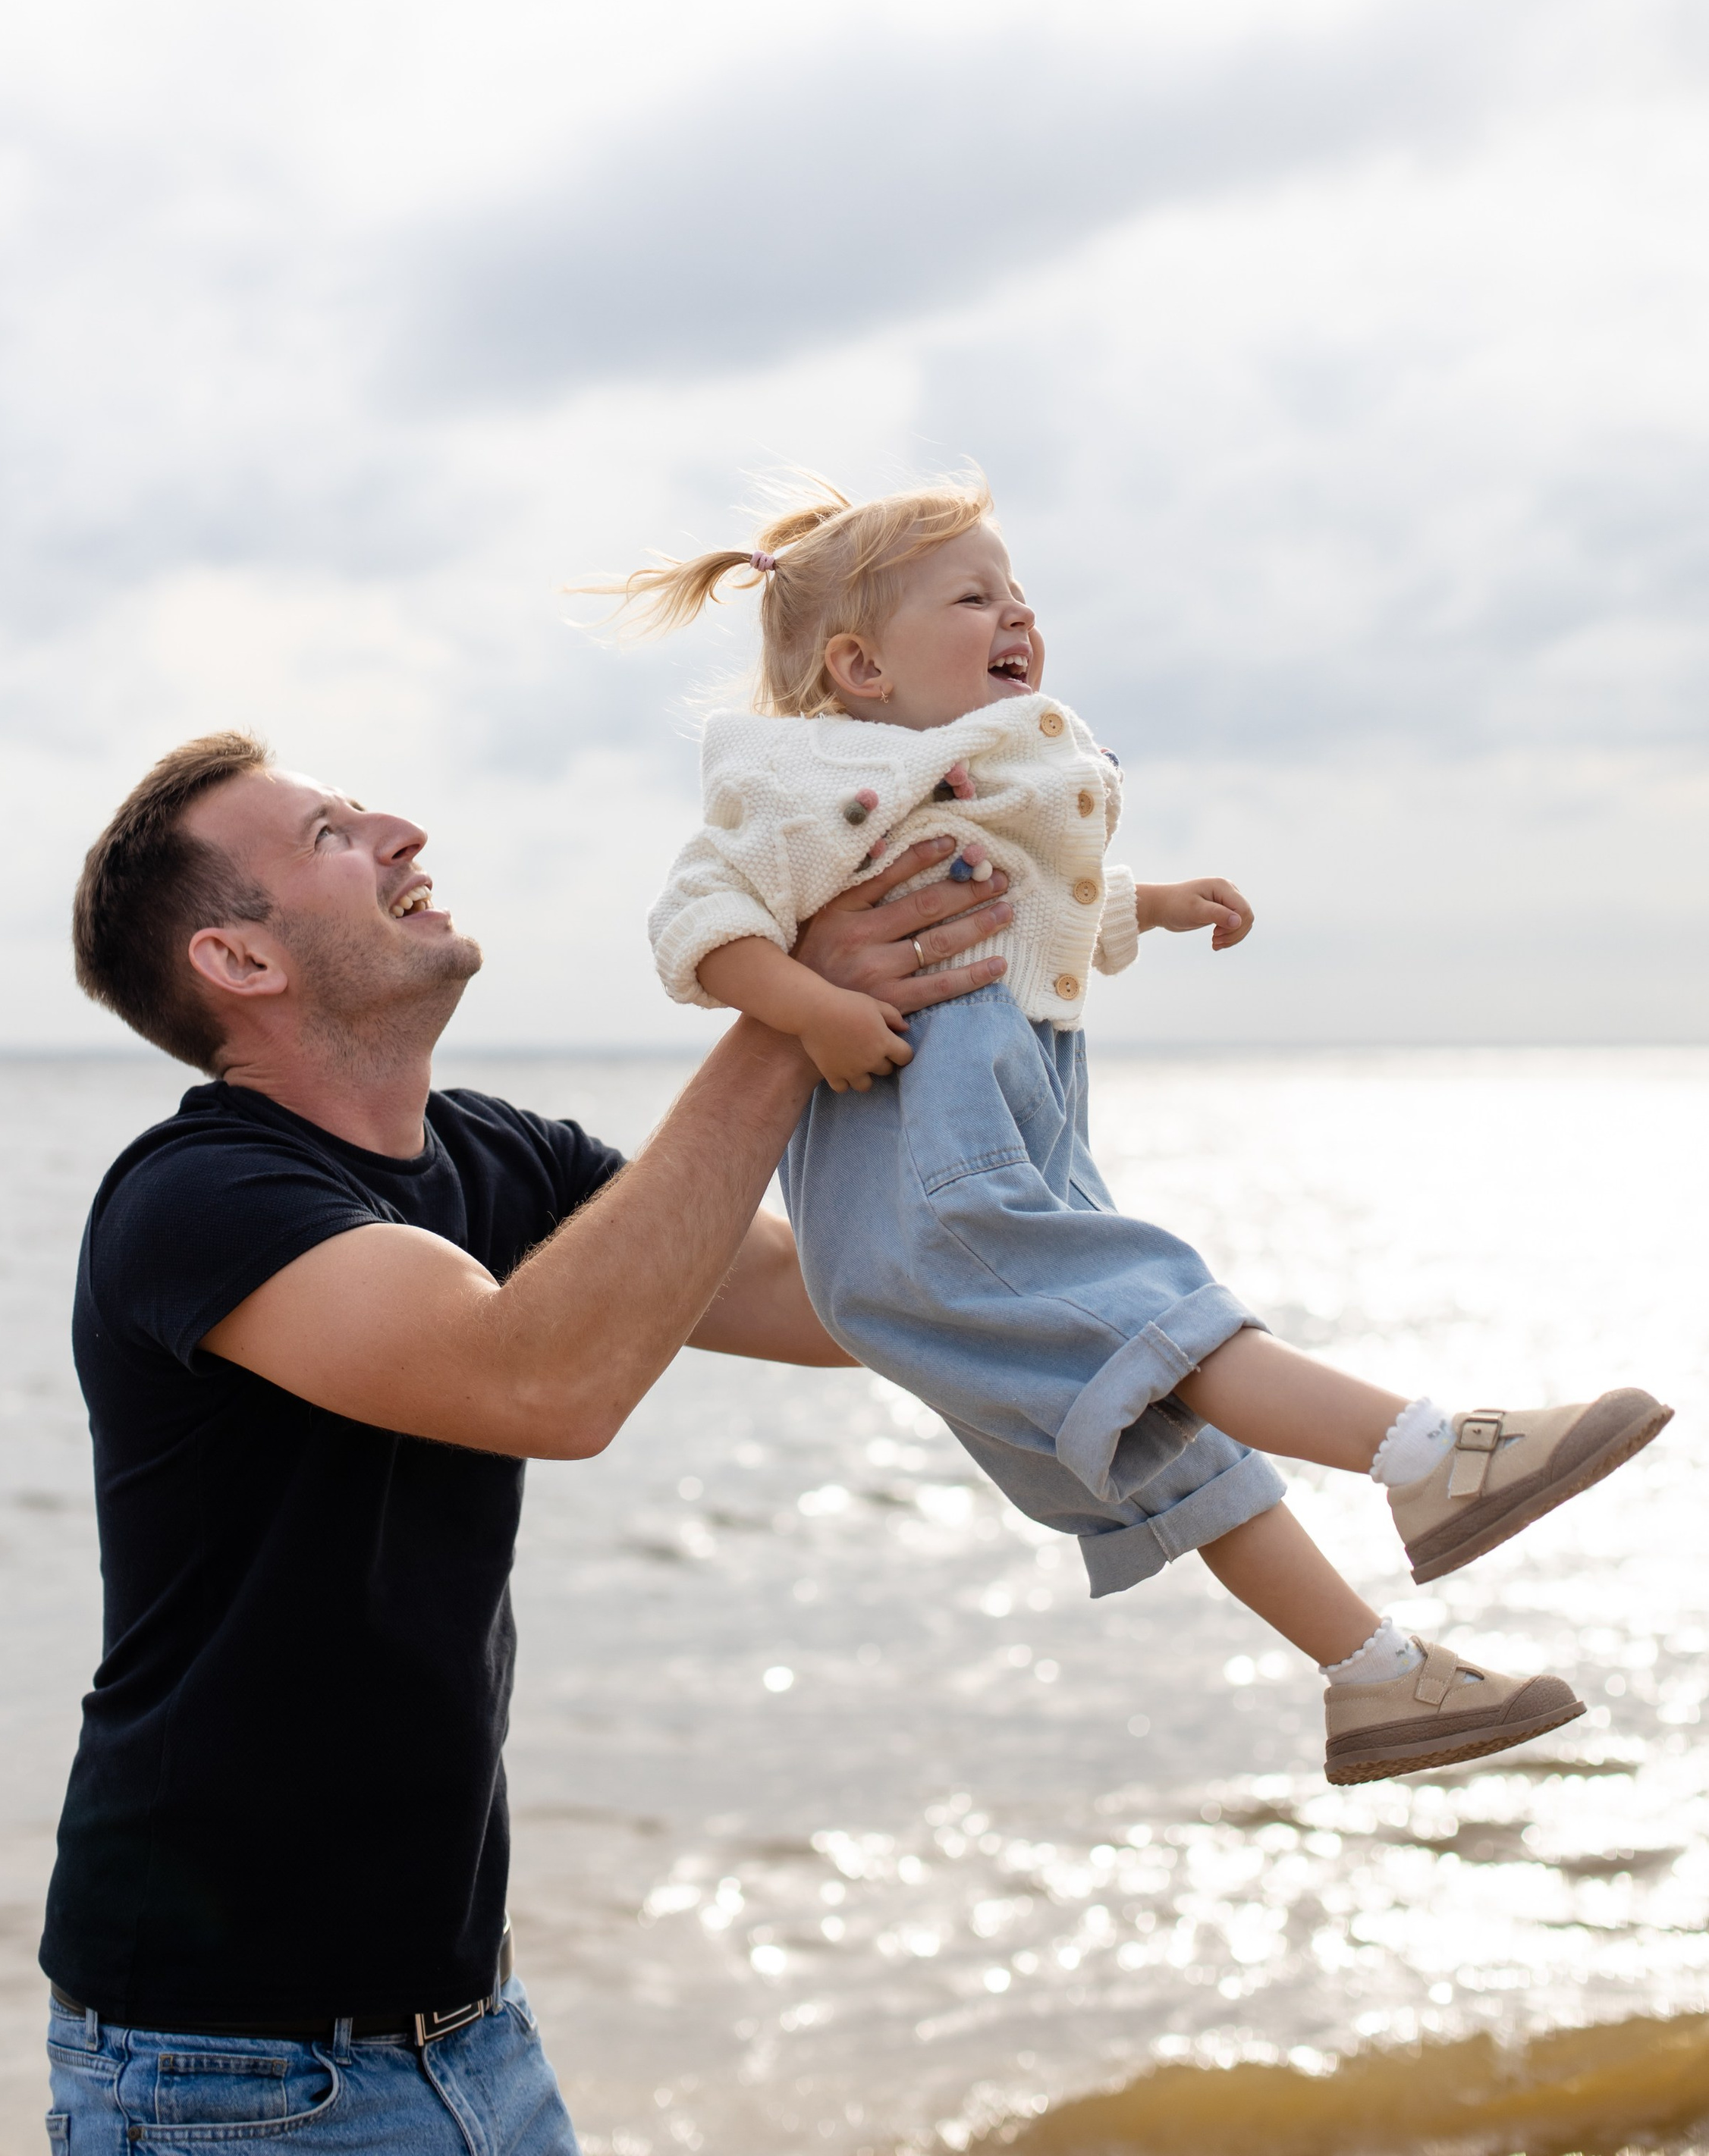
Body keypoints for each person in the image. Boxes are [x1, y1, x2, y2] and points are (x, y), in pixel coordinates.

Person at [605, 475, 1671, 1788]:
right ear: (860, 666)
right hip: (929, 1179)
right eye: (976, 595)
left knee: (1169, 1439)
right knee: (1157, 1315)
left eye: (1020, 593)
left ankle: (1378, 1679)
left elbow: (1027, 914)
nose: (1019, 614)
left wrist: (1148, 904)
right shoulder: (807, 778)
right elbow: (699, 928)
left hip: (1007, 1145)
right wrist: (811, 1009)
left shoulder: (976, 778)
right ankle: (1429, 1454)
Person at [40, 727, 1016, 2154]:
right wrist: (787, 1011)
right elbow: (546, 1384)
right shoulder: (196, 1199)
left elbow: (848, 1299)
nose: (401, 833)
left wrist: (1008, 995)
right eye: (329, 835)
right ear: (239, 963)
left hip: (471, 2031)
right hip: (228, 2074)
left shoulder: (503, 1161)